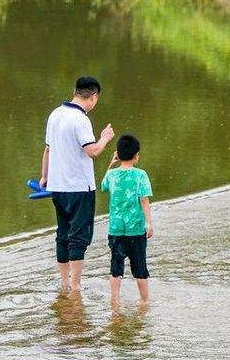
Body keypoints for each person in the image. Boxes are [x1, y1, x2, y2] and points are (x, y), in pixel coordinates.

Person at [40, 76, 114, 295]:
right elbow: (92, 151)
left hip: (57, 186)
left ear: (75, 91)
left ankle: (64, 283)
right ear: (94, 97)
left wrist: (44, 177)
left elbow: (48, 149)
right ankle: (76, 285)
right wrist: (105, 138)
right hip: (79, 188)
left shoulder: (55, 114)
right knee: (79, 236)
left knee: (63, 233)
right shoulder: (81, 119)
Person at [101, 133, 153, 308]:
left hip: (116, 229)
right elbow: (144, 200)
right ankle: (145, 302)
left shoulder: (112, 175)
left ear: (118, 154)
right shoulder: (140, 175)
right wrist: (149, 223)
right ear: (136, 155)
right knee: (140, 268)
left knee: (116, 267)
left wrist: (111, 163)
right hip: (136, 229)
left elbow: (103, 186)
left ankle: (114, 302)